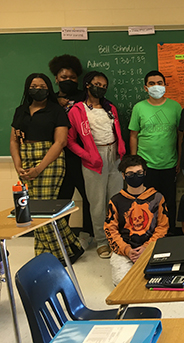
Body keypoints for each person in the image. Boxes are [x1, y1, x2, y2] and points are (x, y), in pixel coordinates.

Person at [10, 73, 84, 263]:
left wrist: (39, 168)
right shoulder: (21, 110)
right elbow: (13, 140)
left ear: (49, 88)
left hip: (50, 160)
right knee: (32, 207)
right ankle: (71, 246)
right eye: (34, 86)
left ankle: (56, 253)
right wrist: (18, 164)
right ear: (28, 89)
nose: (38, 89)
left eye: (42, 86)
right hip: (26, 158)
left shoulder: (56, 110)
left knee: (41, 209)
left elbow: (60, 142)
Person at [67, 71, 126, 259]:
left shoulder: (110, 108)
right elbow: (70, 141)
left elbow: (116, 131)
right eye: (97, 84)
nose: (100, 88)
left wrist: (120, 151)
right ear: (87, 85)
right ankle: (101, 241)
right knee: (97, 203)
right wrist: (87, 156)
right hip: (94, 159)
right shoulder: (77, 110)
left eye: (103, 85)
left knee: (116, 200)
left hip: (114, 155)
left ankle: (115, 238)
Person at [49, 54, 94, 248]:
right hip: (58, 156)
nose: (68, 81)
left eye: (72, 78)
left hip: (81, 155)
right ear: (56, 79)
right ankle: (61, 236)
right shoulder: (48, 98)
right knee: (62, 198)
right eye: (63, 77)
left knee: (89, 196)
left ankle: (87, 234)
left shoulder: (85, 97)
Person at [129, 70, 182, 234]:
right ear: (146, 88)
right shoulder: (139, 107)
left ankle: (169, 232)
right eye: (152, 83)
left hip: (169, 163)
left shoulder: (175, 106)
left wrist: (179, 159)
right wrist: (135, 162)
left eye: (159, 83)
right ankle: (148, 234)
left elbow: (180, 135)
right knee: (146, 202)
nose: (156, 86)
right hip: (146, 164)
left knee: (169, 203)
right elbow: (133, 135)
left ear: (165, 85)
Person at [104, 155, 169, 285]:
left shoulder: (157, 198)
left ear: (145, 173)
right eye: (130, 174)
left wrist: (146, 247)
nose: (135, 176)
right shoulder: (116, 201)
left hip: (151, 247)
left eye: (139, 173)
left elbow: (163, 227)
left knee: (159, 279)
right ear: (123, 175)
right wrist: (127, 250)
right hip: (125, 250)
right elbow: (111, 230)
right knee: (122, 282)